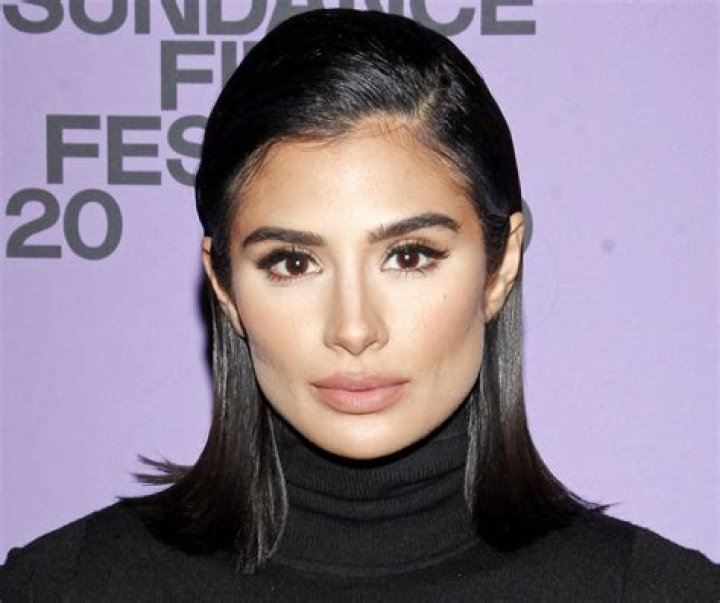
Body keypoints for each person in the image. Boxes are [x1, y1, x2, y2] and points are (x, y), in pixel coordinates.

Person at [1, 8, 717, 601]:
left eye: (409, 256)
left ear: (501, 266)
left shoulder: (658, 592)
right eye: (292, 262)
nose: (353, 328)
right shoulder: (60, 586)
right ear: (224, 286)